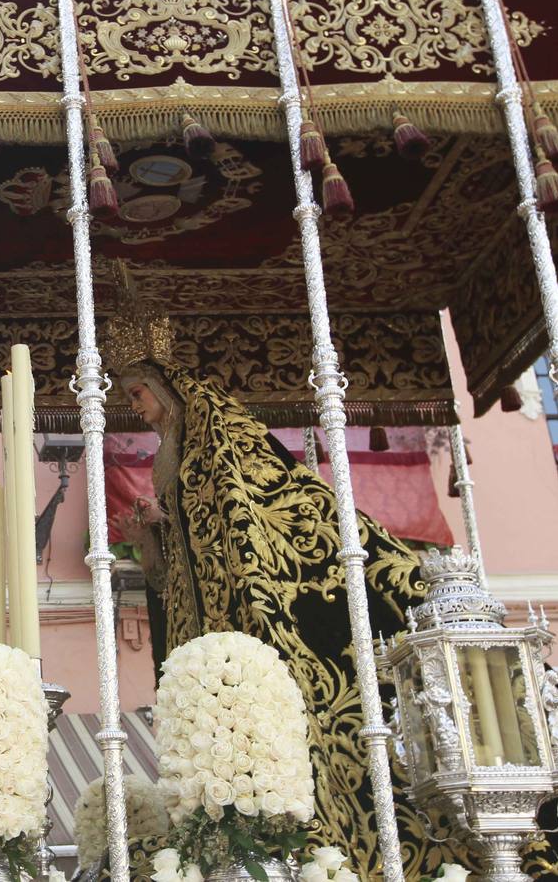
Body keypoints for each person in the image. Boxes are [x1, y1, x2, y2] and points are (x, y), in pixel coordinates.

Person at [104, 336, 472, 879]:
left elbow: (261, 506)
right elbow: (172, 569)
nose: (135, 406)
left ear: (169, 389)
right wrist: (154, 534)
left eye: (139, 393)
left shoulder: (221, 438)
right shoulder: (167, 458)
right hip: (199, 624)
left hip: (246, 609)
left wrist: (194, 521)